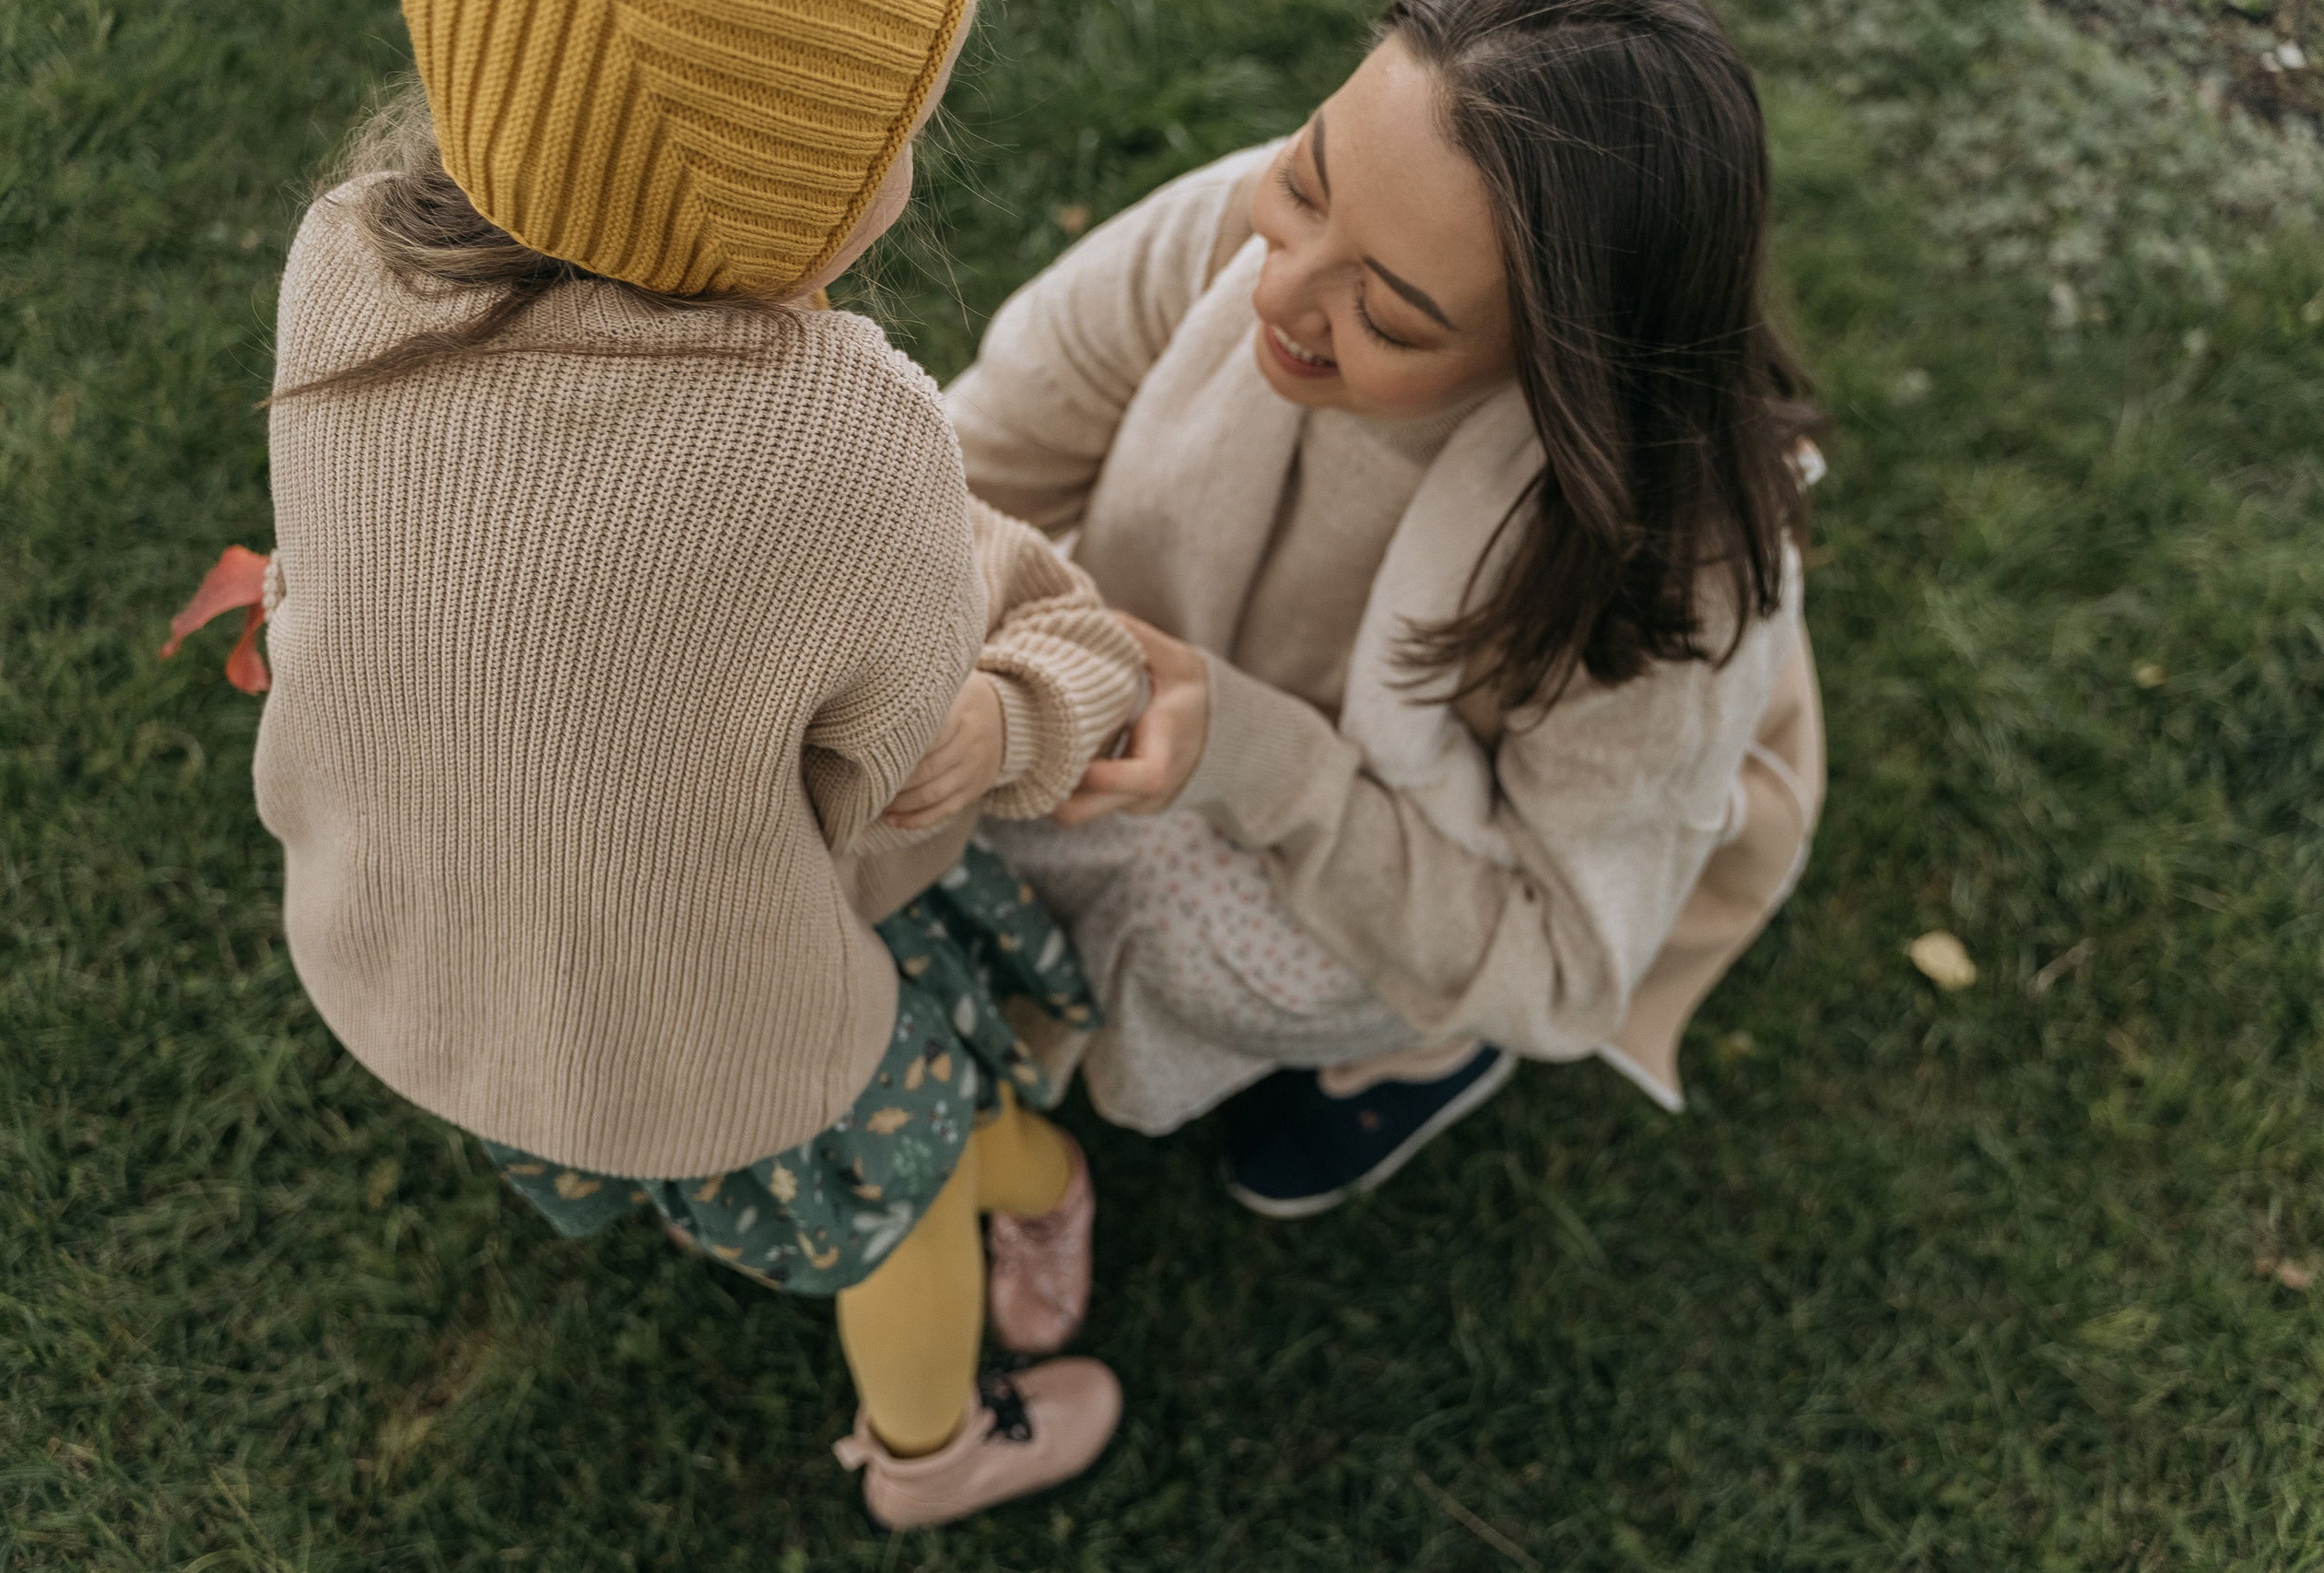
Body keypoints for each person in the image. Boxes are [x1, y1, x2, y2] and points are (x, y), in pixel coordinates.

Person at [175, 0, 1145, 1529]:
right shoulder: (843, 428)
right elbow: (882, 780)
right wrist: (1034, 704)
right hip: (716, 1017)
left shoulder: (349, 258)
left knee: (647, 1079)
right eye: (891, 129)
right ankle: (934, 1449)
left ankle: (824, 1191)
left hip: (421, 962)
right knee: (917, 1178)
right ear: (798, 182)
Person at [951, 0, 1828, 1217]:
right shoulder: (1234, 236)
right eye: (1304, 185)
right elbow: (962, 475)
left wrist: (1256, 760)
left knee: (1177, 920)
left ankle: (1421, 1051)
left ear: (1559, 368)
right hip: (1176, 716)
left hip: (1397, 836)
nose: (1278, 295)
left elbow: (1560, 962)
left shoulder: (1665, 574)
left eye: (1391, 315)